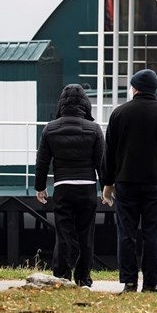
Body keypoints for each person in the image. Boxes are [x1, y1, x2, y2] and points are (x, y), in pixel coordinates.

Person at [101, 69, 157, 293]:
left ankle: (129, 281)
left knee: (126, 233)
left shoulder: (119, 114)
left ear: (135, 89)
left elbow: (110, 152)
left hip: (126, 182)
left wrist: (107, 183)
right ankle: (150, 283)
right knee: (152, 234)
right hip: (156, 184)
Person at [34, 84, 104, 288]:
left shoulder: (50, 128)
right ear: (85, 103)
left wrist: (40, 187)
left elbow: (42, 161)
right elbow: (102, 162)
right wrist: (107, 186)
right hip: (87, 187)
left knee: (63, 232)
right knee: (86, 233)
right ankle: (83, 278)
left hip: (63, 185)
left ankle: (62, 274)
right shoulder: (94, 128)